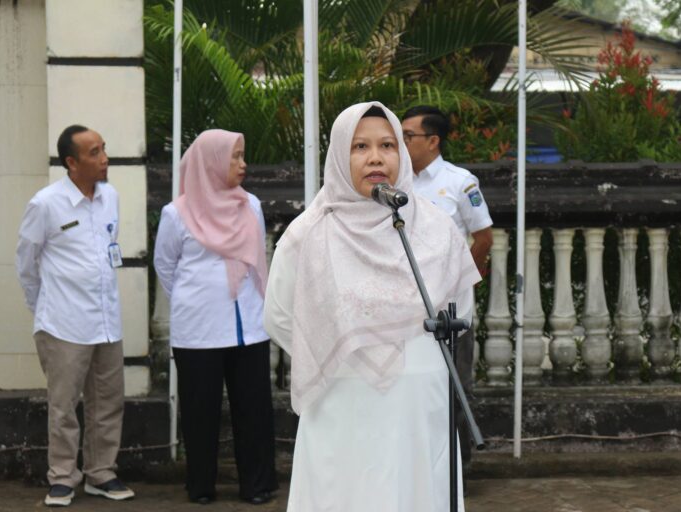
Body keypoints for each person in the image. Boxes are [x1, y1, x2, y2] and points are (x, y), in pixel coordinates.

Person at [264, 102, 481, 512]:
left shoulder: (436, 228)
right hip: (341, 395)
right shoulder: (308, 233)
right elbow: (278, 316)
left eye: (387, 145)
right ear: (339, 155)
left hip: (420, 399)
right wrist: (334, 347)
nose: (376, 158)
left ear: (402, 154)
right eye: (360, 146)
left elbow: (459, 311)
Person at [153, 129, 278, 506]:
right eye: (234, 157)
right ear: (211, 162)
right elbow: (165, 266)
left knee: (254, 411)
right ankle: (201, 486)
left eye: (242, 155)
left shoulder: (250, 205)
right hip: (199, 331)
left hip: (248, 327)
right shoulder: (177, 213)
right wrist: (197, 300)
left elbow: (256, 259)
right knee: (200, 413)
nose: (243, 164)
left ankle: (257, 485)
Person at [16, 125, 134, 507]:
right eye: (94, 152)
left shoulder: (110, 197)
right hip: (63, 323)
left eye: (104, 149)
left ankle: (101, 473)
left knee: (108, 402)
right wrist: (43, 307)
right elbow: (26, 264)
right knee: (64, 405)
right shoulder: (46, 204)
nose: (104, 159)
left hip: (106, 321)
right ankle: (63, 478)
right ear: (71, 162)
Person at [402, 105, 494, 470]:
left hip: (450, 308)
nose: (401, 142)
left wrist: (457, 279)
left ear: (433, 141)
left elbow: (483, 238)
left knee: (454, 387)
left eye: (408, 136)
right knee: (412, 387)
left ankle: (457, 470)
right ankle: (419, 468)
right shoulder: (395, 183)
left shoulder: (460, 182)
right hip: (405, 306)